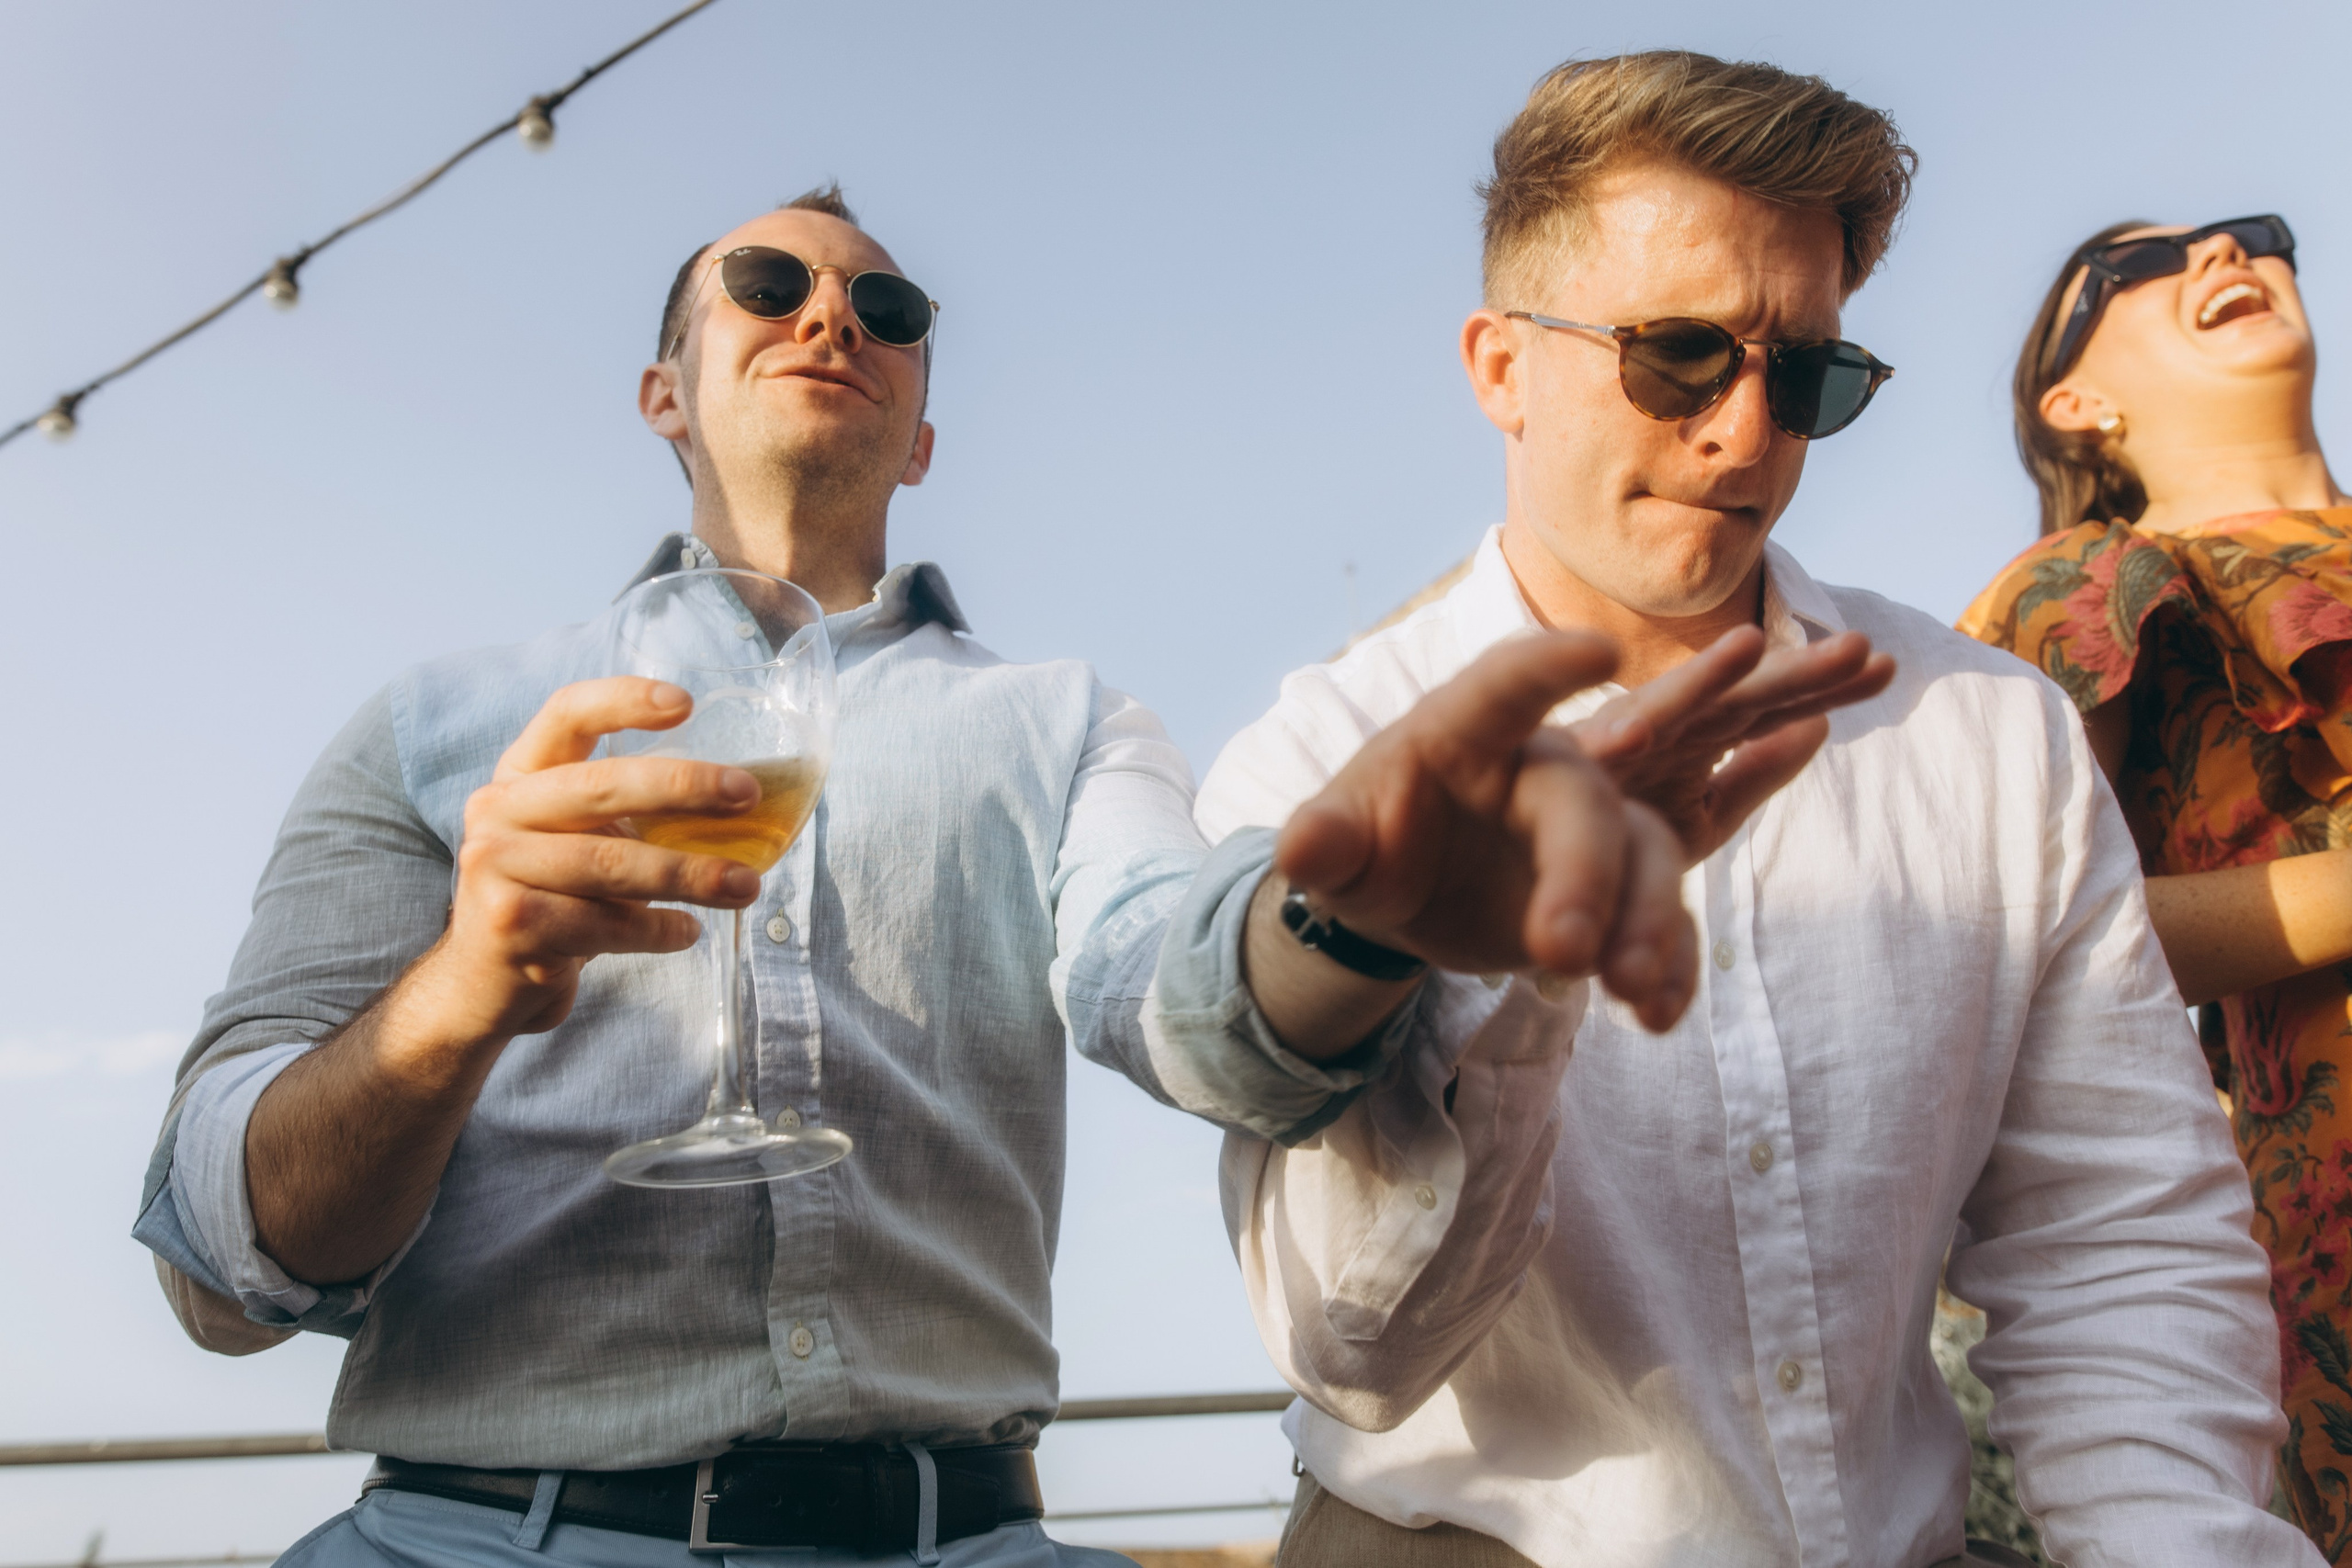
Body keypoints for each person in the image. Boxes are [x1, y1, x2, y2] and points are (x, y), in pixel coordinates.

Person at [130, 182, 1860, 1568]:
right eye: (766, 285)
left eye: (889, 313)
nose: (832, 320)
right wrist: (454, 1004)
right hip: (475, 1538)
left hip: (962, 1538)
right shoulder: (446, 728)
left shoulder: (1064, 721)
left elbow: (1170, 989)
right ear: (663, 390)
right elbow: (219, 1270)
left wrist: (1365, 920)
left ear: (926, 430)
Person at [1185, 51, 2320, 1568]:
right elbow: (1359, 1350)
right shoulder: (1322, 767)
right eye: (1676, 357)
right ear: (1501, 364)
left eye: (1806, 376)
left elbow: (2116, 1237)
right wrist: (1523, 975)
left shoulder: (1988, 734)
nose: (1745, 433)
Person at [1958, 211, 2352, 1556]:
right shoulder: (2096, 584)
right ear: (2079, 402)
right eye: (2143, 267)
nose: (2223, 258)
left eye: (2254, 233)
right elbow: (2012, 937)